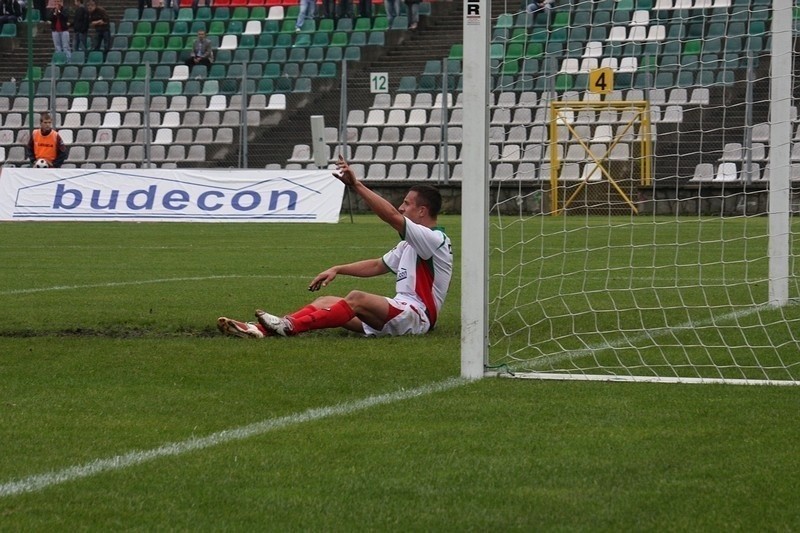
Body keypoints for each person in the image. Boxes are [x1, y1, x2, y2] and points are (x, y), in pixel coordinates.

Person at [218, 156, 453, 339]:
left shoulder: (434, 239)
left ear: (422, 211)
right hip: (399, 313)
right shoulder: (411, 243)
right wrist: (338, 268)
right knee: (325, 301)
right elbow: (377, 265)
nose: (401, 207)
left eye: (407, 203)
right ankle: (259, 330)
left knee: (356, 297)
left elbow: (391, 216)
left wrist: (357, 185)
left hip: (417, 317)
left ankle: (290, 326)